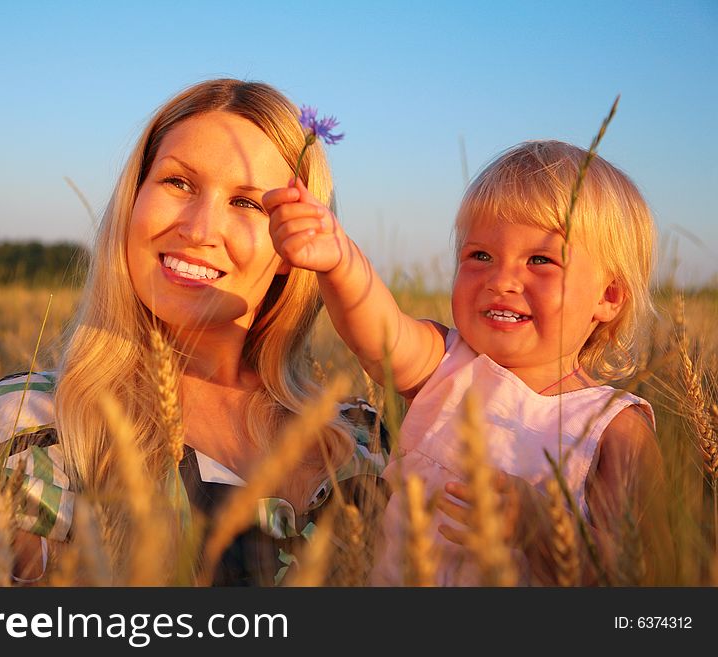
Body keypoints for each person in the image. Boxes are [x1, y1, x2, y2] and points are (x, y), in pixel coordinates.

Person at [0, 79, 388, 586]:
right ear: (133, 200)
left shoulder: (359, 435)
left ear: (296, 244)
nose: (198, 229)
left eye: (249, 203)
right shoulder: (41, 420)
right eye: (179, 184)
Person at [264, 140, 673, 585]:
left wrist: (541, 529)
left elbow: (646, 575)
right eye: (480, 256)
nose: (501, 280)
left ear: (608, 296)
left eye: (541, 260)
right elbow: (379, 331)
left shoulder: (614, 428)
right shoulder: (446, 365)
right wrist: (338, 259)